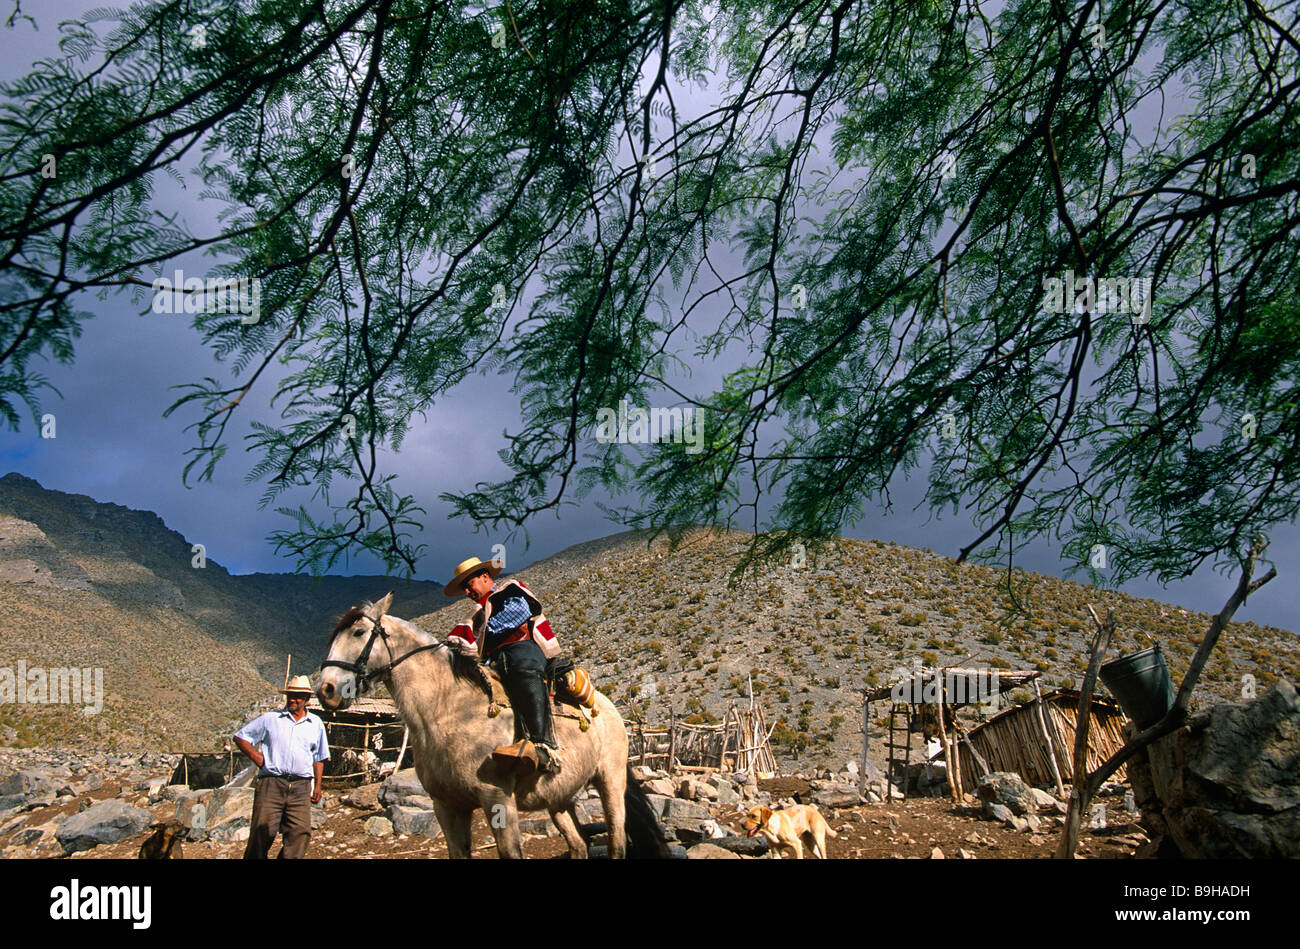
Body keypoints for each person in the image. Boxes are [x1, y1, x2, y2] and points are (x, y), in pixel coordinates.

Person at [444, 556, 563, 776]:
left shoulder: (509, 590)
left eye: (469, 586)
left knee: (523, 669)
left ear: (485, 577)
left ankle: (542, 745)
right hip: (494, 658)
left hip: (522, 647)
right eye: (465, 590)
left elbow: (515, 617)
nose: (468, 593)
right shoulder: (478, 612)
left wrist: (474, 632)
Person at [233, 675, 330, 859]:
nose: (293, 699)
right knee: (262, 832)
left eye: (298, 696)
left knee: (300, 832)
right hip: (271, 784)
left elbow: (319, 757)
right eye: (291, 695)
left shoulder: (315, 723)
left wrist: (317, 786)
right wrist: (258, 758)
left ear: (307, 700)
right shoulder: (271, 719)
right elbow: (240, 737)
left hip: (301, 786)